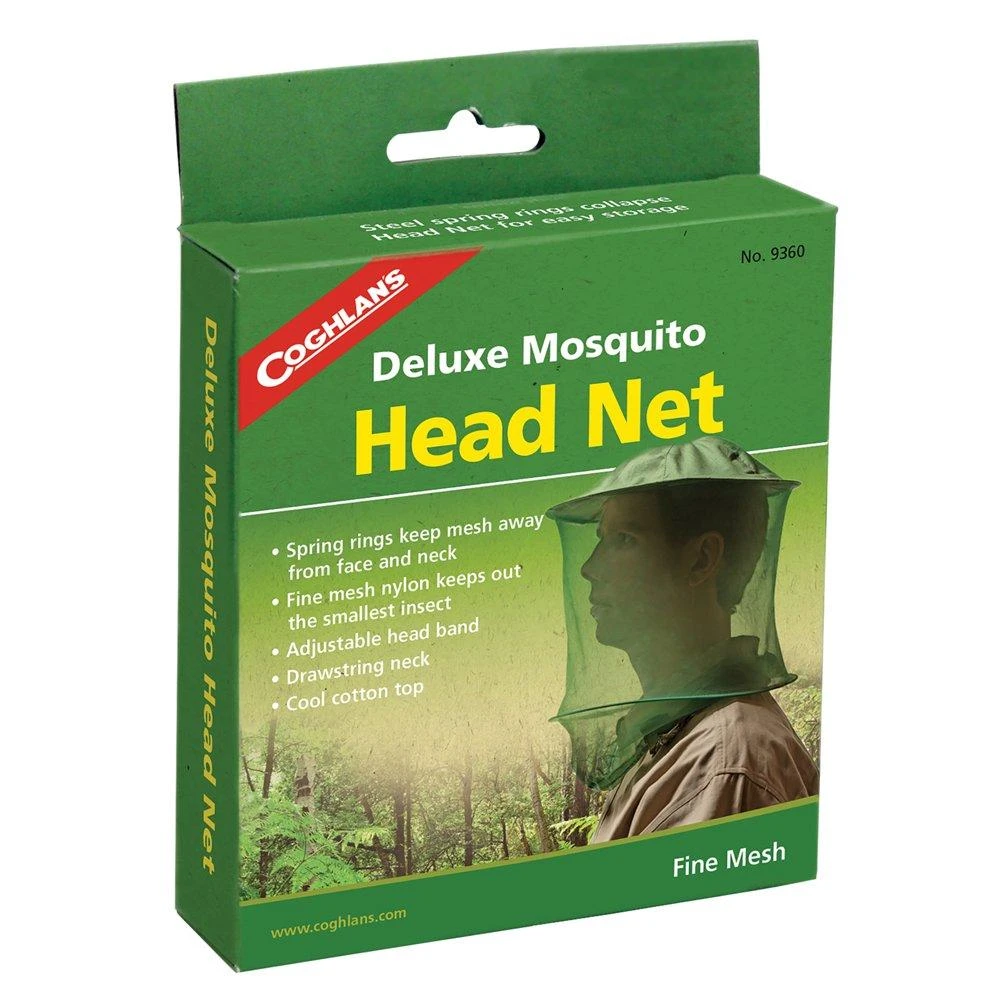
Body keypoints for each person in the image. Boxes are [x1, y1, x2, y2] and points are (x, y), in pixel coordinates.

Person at [546, 437, 819, 842]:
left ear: (701, 559)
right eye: (601, 538)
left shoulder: (721, 761)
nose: (590, 567)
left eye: (624, 539)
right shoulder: (679, 735)